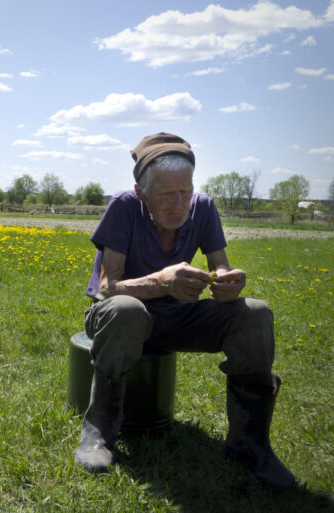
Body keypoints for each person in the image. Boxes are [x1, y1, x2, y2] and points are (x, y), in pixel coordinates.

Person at [73, 133, 295, 491]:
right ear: (141, 191)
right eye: (167, 194)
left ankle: (250, 444)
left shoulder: (203, 207)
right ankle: (99, 431)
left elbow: (219, 266)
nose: (179, 204)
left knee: (254, 313)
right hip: (119, 317)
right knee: (127, 310)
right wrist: (161, 282)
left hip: (176, 317)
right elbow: (104, 288)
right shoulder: (124, 206)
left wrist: (227, 282)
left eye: (186, 191)